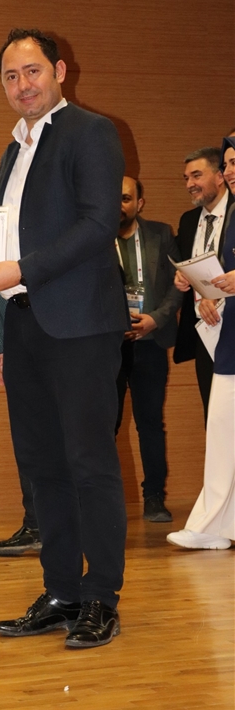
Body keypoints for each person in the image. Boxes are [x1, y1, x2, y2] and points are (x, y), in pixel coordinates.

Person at [0, 29, 128, 649]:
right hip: (26, 326)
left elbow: (99, 222)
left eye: (32, 71)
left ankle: (101, 597)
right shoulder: (13, 150)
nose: (22, 85)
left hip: (82, 325)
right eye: (11, 76)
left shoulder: (92, 131)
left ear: (59, 71)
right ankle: (61, 591)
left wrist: (24, 271)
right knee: (42, 468)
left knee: (90, 464)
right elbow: (4, 243)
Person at [167, 136, 235, 550]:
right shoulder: (196, 219)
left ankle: (213, 525)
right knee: (221, 426)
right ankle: (214, 525)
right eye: (227, 163)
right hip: (217, 336)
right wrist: (192, 285)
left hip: (228, 331)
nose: (230, 171)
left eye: (233, 163)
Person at [115, 177, 183, 522]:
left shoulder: (161, 233)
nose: (118, 205)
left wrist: (156, 319)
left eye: (126, 198)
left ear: (139, 203)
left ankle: (154, 497)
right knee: (104, 427)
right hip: (108, 348)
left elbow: (179, 284)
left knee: (151, 425)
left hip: (151, 344)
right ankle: (105, 502)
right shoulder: (94, 238)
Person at [173, 147, 233, 423]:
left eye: (197, 175)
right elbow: (188, 265)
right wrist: (181, 276)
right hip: (204, 332)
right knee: (214, 418)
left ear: (220, 176)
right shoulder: (188, 221)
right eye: (186, 178)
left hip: (231, 326)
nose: (190, 184)